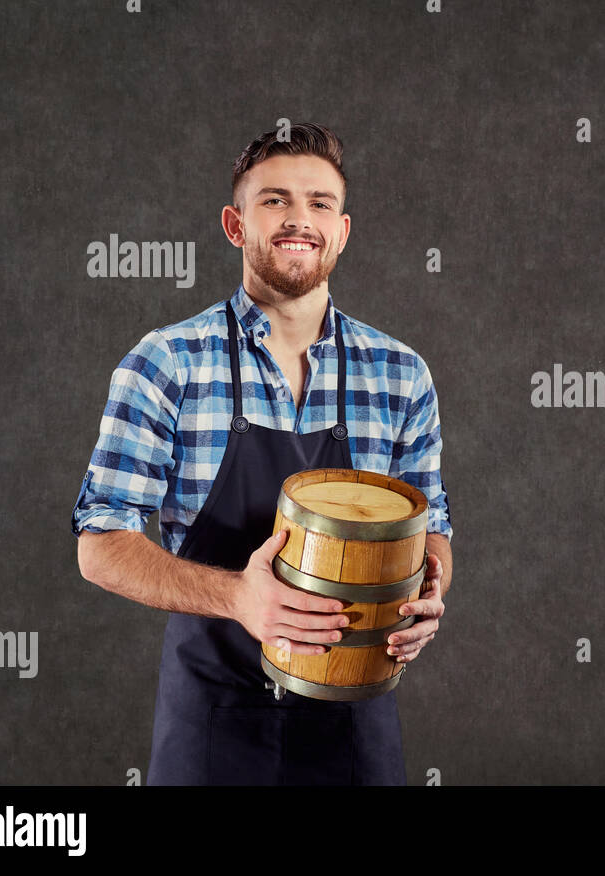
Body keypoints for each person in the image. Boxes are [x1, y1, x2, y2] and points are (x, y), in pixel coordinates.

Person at [71, 122, 453, 786]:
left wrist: (429, 591)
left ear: (341, 231)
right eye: (274, 200)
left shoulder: (402, 374)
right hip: (214, 722)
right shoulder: (167, 363)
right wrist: (239, 598)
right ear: (235, 223)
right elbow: (100, 543)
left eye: (319, 203)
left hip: (354, 724)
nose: (299, 218)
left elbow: (434, 528)